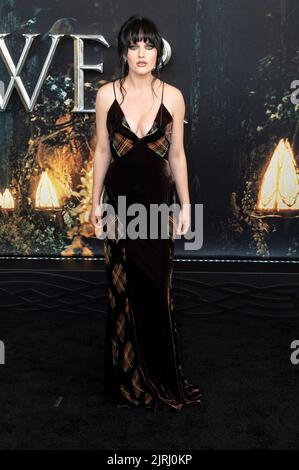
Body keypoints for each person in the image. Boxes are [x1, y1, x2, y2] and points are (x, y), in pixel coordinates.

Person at [91, 14, 202, 412]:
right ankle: (125, 380)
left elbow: (177, 156)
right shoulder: (107, 95)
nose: (141, 53)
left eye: (148, 45)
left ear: (158, 52)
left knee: (156, 292)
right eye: (134, 46)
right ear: (123, 52)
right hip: (119, 209)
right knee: (121, 295)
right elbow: (103, 151)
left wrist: (186, 205)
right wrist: (94, 203)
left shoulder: (172, 96)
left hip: (156, 209)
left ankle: (159, 375)